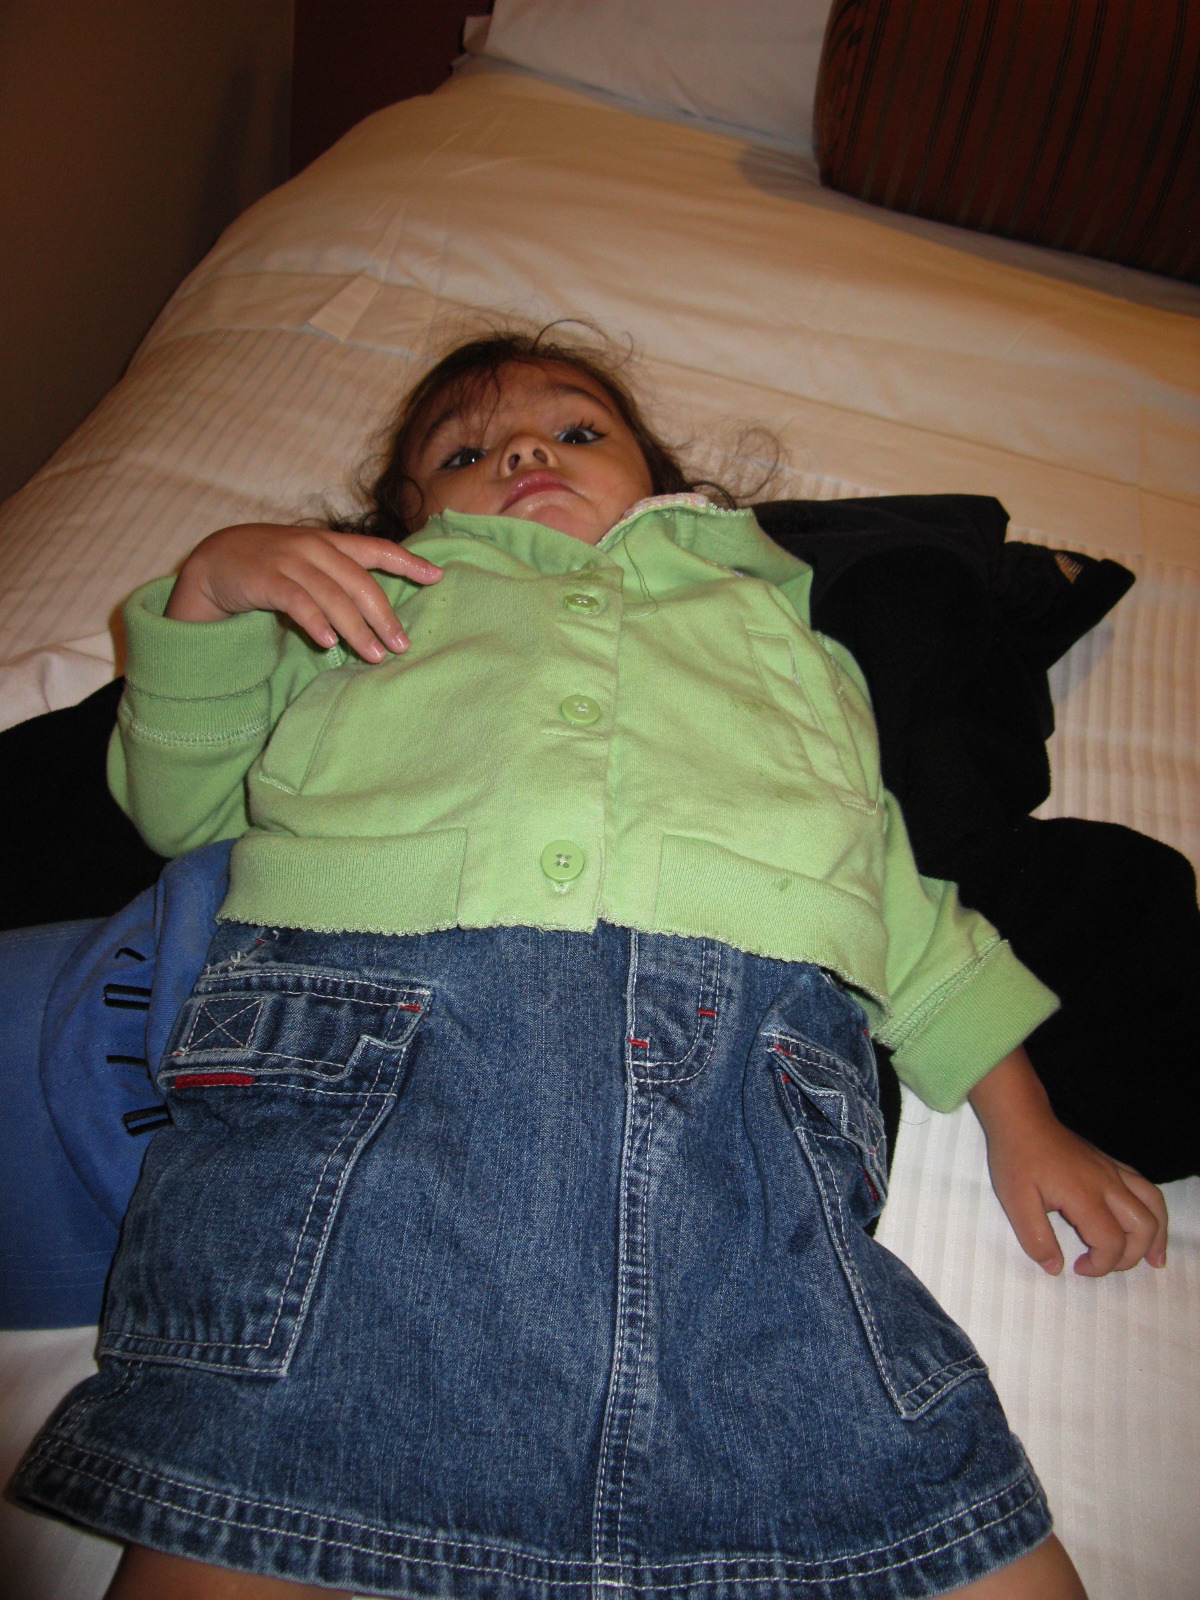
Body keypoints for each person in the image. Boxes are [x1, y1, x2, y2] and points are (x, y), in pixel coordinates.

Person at [12, 330, 1167, 1600]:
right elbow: (180, 806)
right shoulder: (355, 606)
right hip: (368, 1076)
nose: (523, 451)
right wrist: (211, 593)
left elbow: (891, 892)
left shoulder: (778, 633)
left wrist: (1022, 1115)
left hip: (737, 1109)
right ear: (407, 515)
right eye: (466, 454)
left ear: (664, 484)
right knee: (250, 1482)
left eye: (575, 431)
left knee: (921, 1500)